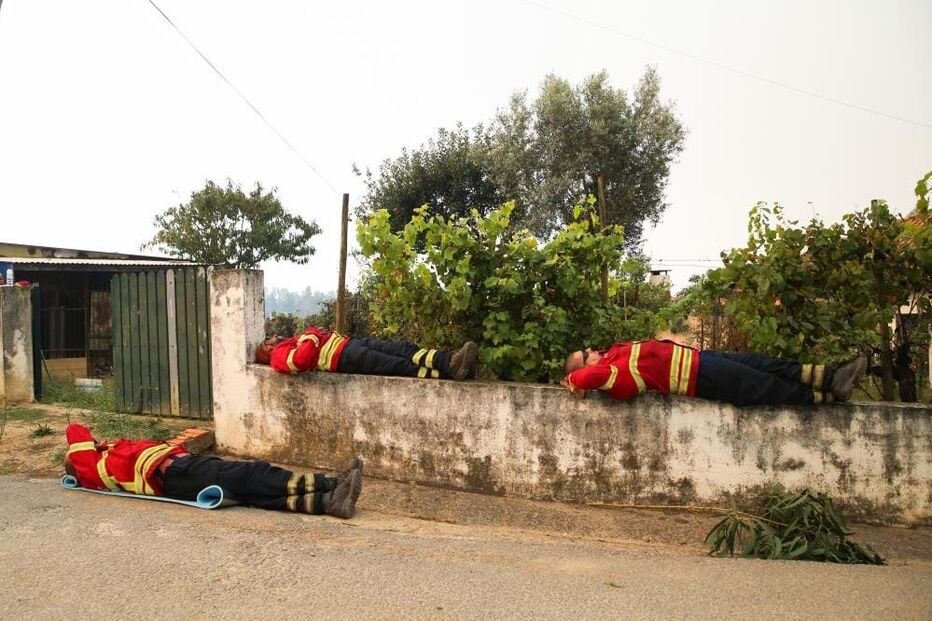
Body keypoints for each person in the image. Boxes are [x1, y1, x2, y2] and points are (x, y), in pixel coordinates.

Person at [63, 423, 363, 518]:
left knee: (253, 492)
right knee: (253, 474)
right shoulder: (90, 465)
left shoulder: (104, 461)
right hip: (177, 473)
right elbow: (73, 429)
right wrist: (93, 446)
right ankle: (331, 482)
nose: (96, 441)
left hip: (181, 472)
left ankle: (328, 502)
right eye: (91, 444)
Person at [562, 339, 868, 407]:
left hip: (702, 358)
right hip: (701, 377)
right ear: (586, 364)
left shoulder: (614, 354)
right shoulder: (610, 376)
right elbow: (583, 380)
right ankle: (828, 395)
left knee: (763, 363)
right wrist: (571, 380)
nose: (591, 349)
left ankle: (830, 378)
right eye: (585, 354)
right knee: (765, 386)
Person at [255, 325, 479, 381]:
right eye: (270, 339)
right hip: (345, 357)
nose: (275, 336)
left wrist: (313, 336)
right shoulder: (277, 356)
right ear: (267, 349)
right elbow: (300, 361)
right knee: (398, 365)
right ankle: (451, 372)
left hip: (351, 344)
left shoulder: (287, 343)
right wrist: (312, 335)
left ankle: (448, 361)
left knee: (403, 349)